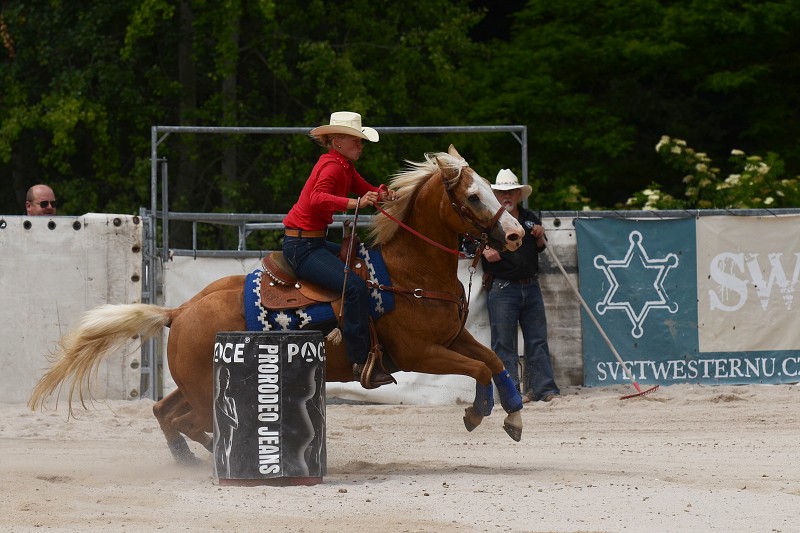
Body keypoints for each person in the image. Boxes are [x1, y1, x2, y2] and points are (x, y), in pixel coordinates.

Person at [282, 111, 396, 389]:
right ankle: (359, 361)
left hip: (310, 241)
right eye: (355, 140)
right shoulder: (333, 167)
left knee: (360, 266)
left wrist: (383, 194)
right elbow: (318, 198)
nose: (360, 145)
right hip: (303, 247)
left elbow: (364, 188)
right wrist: (356, 203)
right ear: (337, 142)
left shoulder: (342, 165)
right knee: (355, 286)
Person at [479, 169, 560, 403]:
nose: (507, 196)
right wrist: (484, 249)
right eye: (503, 192)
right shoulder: (489, 221)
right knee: (505, 343)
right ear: (496, 194)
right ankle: (512, 391)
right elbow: (469, 241)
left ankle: (543, 389)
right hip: (503, 287)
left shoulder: (529, 218)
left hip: (530, 286)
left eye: (511, 192)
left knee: (537, 339)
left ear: (517, 194)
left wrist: (540, 235)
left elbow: (541, 248)